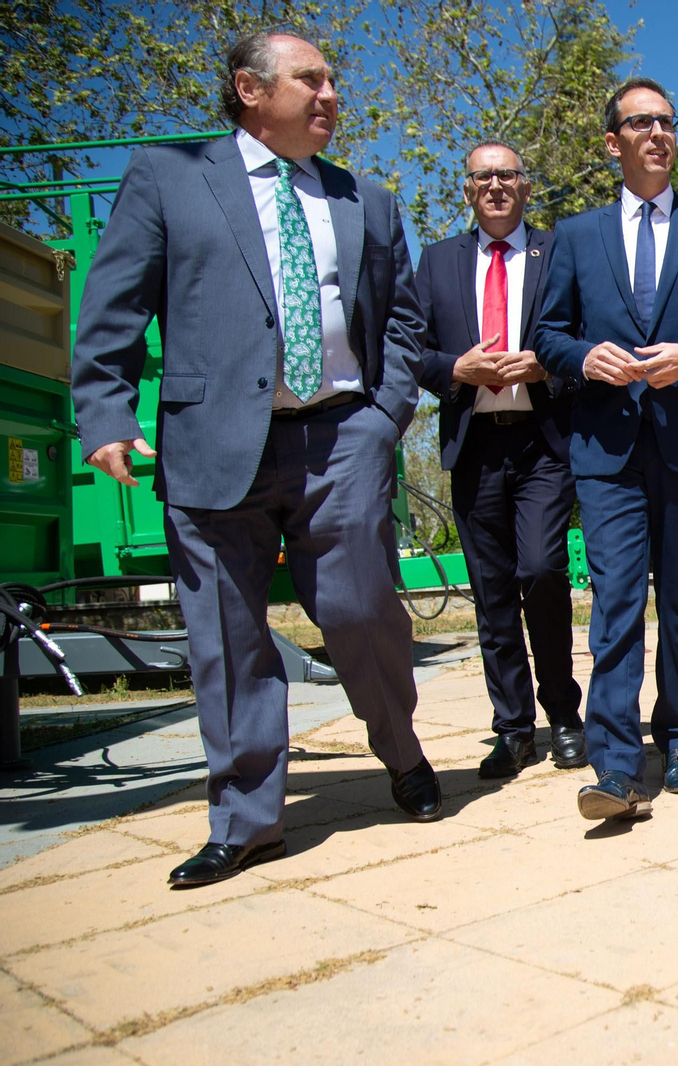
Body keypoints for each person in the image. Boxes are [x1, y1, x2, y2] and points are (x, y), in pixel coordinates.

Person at [71, 33, 441, 887]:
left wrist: (386, 415)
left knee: (359, 609)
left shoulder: (367, 199)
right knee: (227, 638)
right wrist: (105, 416)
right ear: (249, 88)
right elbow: (114, 305)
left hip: (341, 435)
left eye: (333, 81)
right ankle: (246, 818)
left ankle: (402, 749)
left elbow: (402, 318)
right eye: (311, 79)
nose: (330, 94)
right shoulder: (169, 176)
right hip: (210, 442)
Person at [534, 77, 678, 819]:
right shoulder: (573, 236)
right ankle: (613, 765)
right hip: (607, 450)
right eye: (642, 123)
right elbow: (547, 334)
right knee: (615, 603)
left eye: (668, 121)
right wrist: (581, 359)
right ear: (613, 143)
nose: (659, 134)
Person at [414, 141, 585, 779]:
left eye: (507, 175)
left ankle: (564, 714)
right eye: (483, 177)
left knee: (542, 571)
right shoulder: (435, 263)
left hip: (542, 441)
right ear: (468, 189)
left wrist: (548, 363)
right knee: (491, 593)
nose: (495, 186)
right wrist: (454, 368)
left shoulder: (557, 253)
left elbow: (586, 332)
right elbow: (407, 346)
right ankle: (512, 729)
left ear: (525, 185)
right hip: (474, 445)